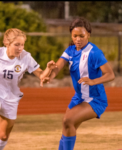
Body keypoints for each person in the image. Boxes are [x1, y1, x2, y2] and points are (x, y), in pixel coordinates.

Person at [0, 28, 57, 150]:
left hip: (11, 97)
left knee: (4, 135)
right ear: (7, 43)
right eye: (17, 44)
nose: (20, 48)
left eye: (22, 44)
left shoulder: (26, 57)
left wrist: (48, 69)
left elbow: (41, 75)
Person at [42, 17, 115, 150]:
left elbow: (110, 74)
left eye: (81, 36)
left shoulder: (95, 52)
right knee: (67, 126)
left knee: (67, 121)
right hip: (79, 97)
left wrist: (93, 81)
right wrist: (50, 76)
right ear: (71, 35)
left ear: (88, 34)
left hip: (95, 99)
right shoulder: (70, 50)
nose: (78, 39)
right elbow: (58, 66)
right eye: (75, 36)